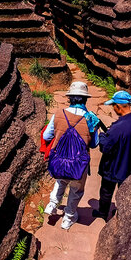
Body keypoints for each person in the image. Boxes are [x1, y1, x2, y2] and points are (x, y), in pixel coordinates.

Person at [42, 81, 101, 230]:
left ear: (70, 98)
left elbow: (48, 135)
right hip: (78, 163)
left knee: (60, 181)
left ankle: (52, 204)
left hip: (60, 158)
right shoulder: (90, 119)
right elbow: (94, 144)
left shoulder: (59, 114)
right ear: (85, 99)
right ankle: (68, 218)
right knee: (76, 189)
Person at [93, 90, 131, 220]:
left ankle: (103, 213)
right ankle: (122, 213)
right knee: (125, 191)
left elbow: (105, 148)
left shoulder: (118, 127)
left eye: (113, 106)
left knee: (106, 191)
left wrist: (101, 135)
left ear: (118, 106)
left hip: (114, 165)